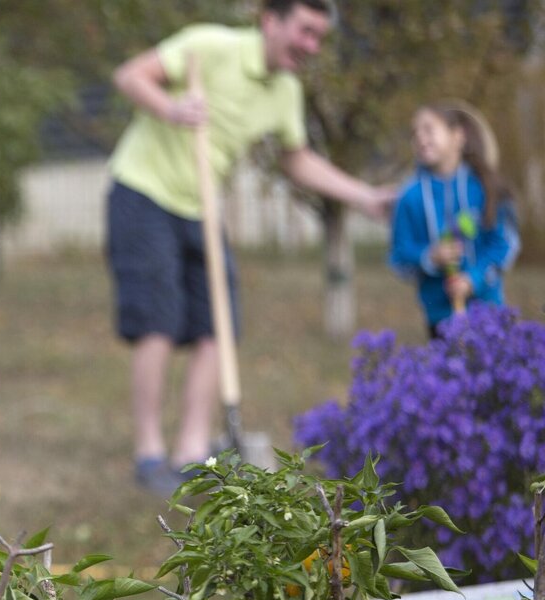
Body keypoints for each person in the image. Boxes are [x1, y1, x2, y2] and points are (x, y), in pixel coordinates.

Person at [106, 0, 396, 493]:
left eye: (319, 37)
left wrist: (362, 196)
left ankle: (191, 453)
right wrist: (171, 108)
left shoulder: (285, 90)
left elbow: (297, 160)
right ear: (269, 20)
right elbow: (130, 75)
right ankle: (149, 454)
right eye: (304, 31)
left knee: (218, 325)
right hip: (143, 192)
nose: (311, 46)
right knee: (156, 321)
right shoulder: (209, 46)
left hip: (201, 205)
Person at [389, 101, 520, 338]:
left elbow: (504, 244)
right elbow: (399, 257)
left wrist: (473, 280)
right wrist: (430, 256)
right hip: (440, 318)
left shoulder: (486, 187)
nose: (420, 138)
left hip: (490, 312)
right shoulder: (409, 198)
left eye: (428, 129)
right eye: (414, 133)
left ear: (458, 136)